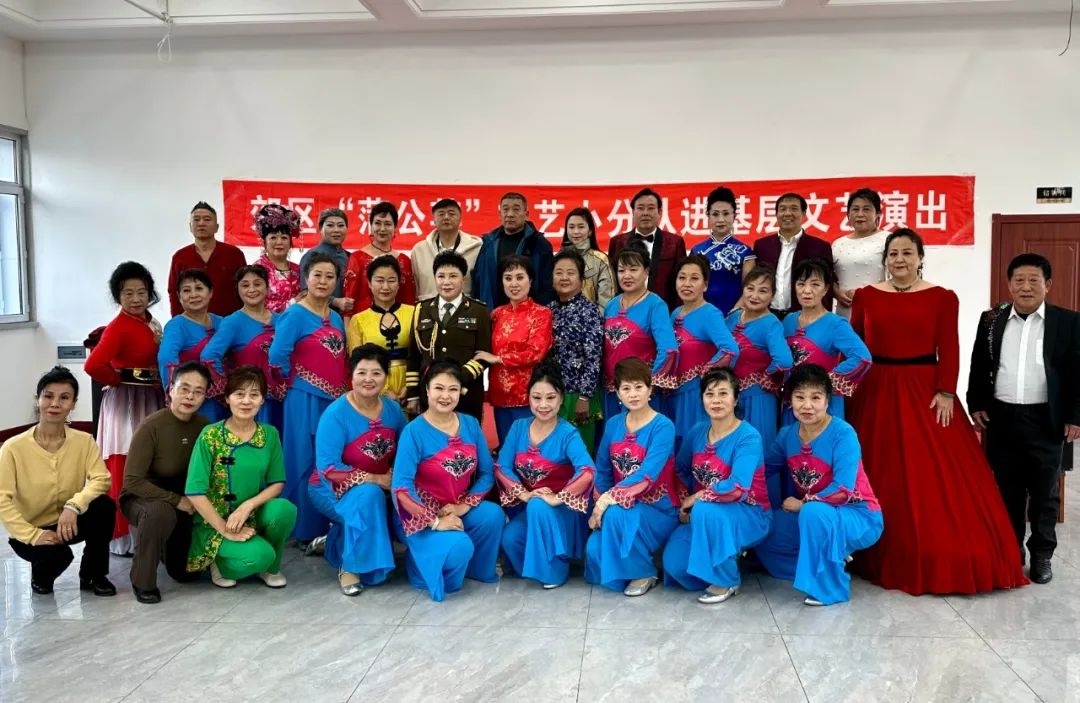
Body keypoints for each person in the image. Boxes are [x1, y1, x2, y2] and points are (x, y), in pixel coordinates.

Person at [848, 228, 1027, 594]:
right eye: (893, 253)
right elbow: (855, 345)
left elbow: (950, 346)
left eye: (907, 253)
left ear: (920, 257)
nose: (899, 259)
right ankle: (870, 548)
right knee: (878, 467)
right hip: (876, 389)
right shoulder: (866, 296)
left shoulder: (942, 297)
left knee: (934, 472)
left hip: (926, 390)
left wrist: (946, 390)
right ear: (885, 259)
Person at [968, 253, 1080, 584]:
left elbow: (1076, 373)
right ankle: (1011, 549)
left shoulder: (1067, 322)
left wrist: (1075, 416)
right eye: (1019, 280)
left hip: (1047, 418)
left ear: (1048, 285)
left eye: (1034, 280)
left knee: (1045, 493)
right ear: (1009, 284)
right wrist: (976, 403)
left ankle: (1042, 554)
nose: (1026, 287)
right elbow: (979, 364)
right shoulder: (991, 320)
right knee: (1007, 490)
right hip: (1002, 417)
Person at [755, 364, 883, 606]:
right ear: (789, 400)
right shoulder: (787, 435)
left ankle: (829, 588)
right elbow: (761, 471)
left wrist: (803, 504)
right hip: (815, 514)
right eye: (799, 397)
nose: (807, 405)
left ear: (827, 401)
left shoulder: (843, 434)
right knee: (766, 530)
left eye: (815, 398)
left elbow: (843, 490)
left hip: (858, 514)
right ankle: (822, 564)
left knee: (813, 512)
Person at [391, 361, 505, 602]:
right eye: (439, 388)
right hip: (419, 516)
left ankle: (473, 569)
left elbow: (487, 473)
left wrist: (465, 505)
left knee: (492, 515)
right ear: (427, 390)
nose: (446, 396)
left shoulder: (470, 424)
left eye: (453, 389)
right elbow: (401, 488)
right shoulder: (413, 431)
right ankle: (421, 564)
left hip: (455, 507)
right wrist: (434, 522)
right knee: (459, 547)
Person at [0, 366, 117, 596]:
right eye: (48, 396)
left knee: (104, 506)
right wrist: (34, 535)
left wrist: (73, 506)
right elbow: (2, 500)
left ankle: (93, 574)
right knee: (59, 558)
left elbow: (101, 480)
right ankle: (40, 573)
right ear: (38, 400)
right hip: (30, 530)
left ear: (73, 403)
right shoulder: (13, 448)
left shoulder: (84, 441)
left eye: (64, 398)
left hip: (68, 522)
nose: (55, 404)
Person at [662, 368, 770, 604]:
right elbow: (679, 470)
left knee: (706, 509)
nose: (716, 400)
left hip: (749, 512)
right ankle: (725, 554)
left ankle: (727, 579)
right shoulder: (697, 432)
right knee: (675, 565)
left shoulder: (748, 437)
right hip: (703, 514)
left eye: (723, 393)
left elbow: (738, 487)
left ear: (736, 398)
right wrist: (684, 503)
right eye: (710, 394)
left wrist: (697, 497)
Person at [186, 367, 298, 588]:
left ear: (262, 400)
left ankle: (270, 568)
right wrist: (224, 528)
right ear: (227, 398)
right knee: (261, 555)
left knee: (285, 510)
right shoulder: (210, 434)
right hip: (214, 521)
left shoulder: (269, 434)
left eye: (254, 395)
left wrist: (247, 506)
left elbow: (277, 483)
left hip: (251, 515)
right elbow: (194, 491)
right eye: (239, 394)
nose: (246, 401)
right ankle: (219, 563)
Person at [310, 345, 408, 596]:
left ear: (386, 377)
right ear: (351, 375)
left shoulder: (393, 410)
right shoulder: (335, 414)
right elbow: (328, 468)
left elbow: (405, 452)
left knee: (382, 498)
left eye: (376, 373)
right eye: (361, 372)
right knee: (369, 496)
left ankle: (334, 540)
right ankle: (349, 567)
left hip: (382, 485)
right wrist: (375, 479)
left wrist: (394, 475)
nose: (368, 379)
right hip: (330, 487)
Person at [85, 261, 166, 556]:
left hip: (151, 398)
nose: (135, 299)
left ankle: (151, 528)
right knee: (127, 462)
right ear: (118, 296)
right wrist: (118, 381)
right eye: (128, 293)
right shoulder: (118, 327)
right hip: (127, 403)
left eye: (141, 292)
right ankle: (124, 537)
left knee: (151, 462)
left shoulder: (152, 322)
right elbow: (93, 365)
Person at [269, 253, 349, 545]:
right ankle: (302, 529)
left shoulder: (335, 316)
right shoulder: (294, 314)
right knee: (303, 458)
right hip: (303, 398)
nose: (323, 281)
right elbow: (277, 355)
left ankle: (327, 525)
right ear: (305, 278)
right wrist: (296, 380)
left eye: (330, 276)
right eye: (317, 275)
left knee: (329, 459)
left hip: (334, 401)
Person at [585, 358, 679, 597]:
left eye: (639, 387)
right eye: (626, 388)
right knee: (594, 551)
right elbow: (603, 470)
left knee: (617, 516)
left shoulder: (663, 426)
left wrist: (606, 502)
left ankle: (644, 572)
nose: (633, 394)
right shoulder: (614, 424)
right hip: (619, 506)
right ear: (617, 393)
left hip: (657, 509)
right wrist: (600, 505)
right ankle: (631, 559)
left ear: (650, 389)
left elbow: (647, 474)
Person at [496, 363, 595, 589]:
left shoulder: (568, 433)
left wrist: (557, 498)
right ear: (528, 398)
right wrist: (525, 494)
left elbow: (587, 470)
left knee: (539, 505)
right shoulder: (518, 427)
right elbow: (501, 467)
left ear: (561, 399)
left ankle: (555, 571)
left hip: (563, 510)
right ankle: (539, 565)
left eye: (550, 398)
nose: (543, 405)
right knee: (510, 538)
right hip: (533, 506)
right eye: (536, 397)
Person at [120, 361, 211, 604]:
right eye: (184, 389)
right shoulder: (151, 426)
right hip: (143, 497)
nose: (190, 396)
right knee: (160, 513)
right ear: (171, 389)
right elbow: (132, 481)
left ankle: (165, 551)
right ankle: (142, 580)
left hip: (185, 501)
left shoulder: (205, 428)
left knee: (186, 574)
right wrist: (175, 500)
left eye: (198, 391)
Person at [726, 267, 793, 507]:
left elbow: (784, 360)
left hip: (759, 400)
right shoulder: (733, 317)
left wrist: (765, 377)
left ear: (772, 296)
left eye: (763, 291)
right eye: (750, 289)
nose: (754, 295)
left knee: (758, 454)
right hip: (731, 399)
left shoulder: (771, 323)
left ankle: (762, 510)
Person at [781, 258, 871, 425]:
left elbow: (862, 358)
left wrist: (825, 382)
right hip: (793, 405)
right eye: (801, 284)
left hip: (823, 407)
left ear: (826, 289)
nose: (807, 290)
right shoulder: (788, 321)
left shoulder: (836, 324)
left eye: (815, 284)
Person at [405, 250, 492, 421]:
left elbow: (484, 355)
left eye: (453, 276)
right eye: (441, 276)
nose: (446, 282)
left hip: (466, 394)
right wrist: (413, 395)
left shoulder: (478, 311)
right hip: (429, 395)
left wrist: (456, 378)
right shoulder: (421, 310)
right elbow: (414, 356)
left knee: (464, 436)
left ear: (463, 279)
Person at [476, 254, 554, 445]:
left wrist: (498, 359)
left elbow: (536, 353)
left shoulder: (541, 313)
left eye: (520, 277)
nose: (514, 283)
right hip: (499, 394)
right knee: (507, 447)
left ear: (530, 280)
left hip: (527, 395)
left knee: (529, 449)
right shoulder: (497, 314)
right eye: (508, 278)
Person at [666, 255, 739, 450]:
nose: (687, 284)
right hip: (673, 393)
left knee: (695, 448)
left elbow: (730, 350)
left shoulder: (710, 313)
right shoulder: (675, 313)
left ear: (705, 285)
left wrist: (706, 372)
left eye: (694, 278)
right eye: (682, 278)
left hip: (695, 395)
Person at [201, 265, 287, 430]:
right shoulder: (233, 322)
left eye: (257, 284)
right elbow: (209, 357)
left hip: (282, 401)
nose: (252, 289)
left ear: (267, 287)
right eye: (245, 285)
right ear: (238, 290)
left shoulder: (281, 320)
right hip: (251, 403)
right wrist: (230, 387)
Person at [601, 245, 678, 422]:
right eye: (621, 270)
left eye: (633, 269)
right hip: (612, 392)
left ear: (646, 272)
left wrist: (648, 384)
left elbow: (669, 350)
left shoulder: (655, 305)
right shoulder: (611, 305)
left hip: (640, 395)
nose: (626, 275)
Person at [548, 250, 604, 449]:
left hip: (578, 395)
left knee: (579, 450)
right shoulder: (549, 310)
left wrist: (584, 396)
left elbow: (594, 356)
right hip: (552, 393)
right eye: (559, 272)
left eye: (570, 273)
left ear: (581, 280)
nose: (564, 277)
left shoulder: (589, 311)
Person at [346, 255, 415, 405]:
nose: (385, 287)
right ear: (369, 283)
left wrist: (411, 387)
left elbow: (422, 355)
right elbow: (357, 362)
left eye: (391, 280)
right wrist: (383, 390)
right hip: (374, 388)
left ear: (399, 283)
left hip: (411, 388)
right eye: (379, 280)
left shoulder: (415, 313)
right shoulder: (358, 320)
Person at [159, 269, 226, 422]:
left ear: (210, 292)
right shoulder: (177, 325)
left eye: (199, 288)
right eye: (186, 290)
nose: (193, 295)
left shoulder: (221, 322)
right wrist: (176, 397)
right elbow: (166, 359)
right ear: (179, 296)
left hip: (225, 400)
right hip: (194, 402)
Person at [750, 193, 833, 316]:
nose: (787, 213)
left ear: (804, 213)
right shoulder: (762, 245)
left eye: (794, 208)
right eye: (782, 209)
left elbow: (827, 286)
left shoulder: (820, 247)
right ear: (776, 214)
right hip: (767, 314)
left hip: (803, 315)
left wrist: (823, 318)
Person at [607, 187, 687, 310]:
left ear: (659, 212)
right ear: (633, 212)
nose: (645, 213)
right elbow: (612, 283)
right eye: (640, 208)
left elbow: (681, 281)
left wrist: (678, 313)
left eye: (650, 208)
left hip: (663, 311)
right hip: (625, 311)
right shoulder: (618, 242)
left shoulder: (675, 243)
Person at [472, 192, 555, 308]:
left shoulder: (539, 244)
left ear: (526, 214)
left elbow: (547, 286)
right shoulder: (488, 243)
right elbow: (478, 281)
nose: (510, 214)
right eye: (505, 209)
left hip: (528, 313)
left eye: (516, 210)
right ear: (500, 214)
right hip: (490, 312)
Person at [167, 201, 247, 317]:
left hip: (229, 322)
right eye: (196, 219)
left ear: (217, 227)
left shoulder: (234, 254)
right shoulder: (180, 257)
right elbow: (173, 293)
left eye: (207, 219)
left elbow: (244, 288)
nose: (201, 223)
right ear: (190, 227)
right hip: (192, 322)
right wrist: (177, 320)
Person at [690, 186, 756, 314]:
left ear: (734, 215)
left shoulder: (746, 252)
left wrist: (733, 315)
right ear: (708, 216)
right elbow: (691, 287)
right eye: (715, 214)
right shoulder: (696, 251)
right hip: (702, 315)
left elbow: (750, 290)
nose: (721, 219)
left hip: (736, 316)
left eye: (726, 214)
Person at [343, 201, 417, 313]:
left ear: (395, 227)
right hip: (363, 321)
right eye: (377, 223)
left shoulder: (404, 261)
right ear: (371, 226)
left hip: (399, 321)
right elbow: (349, 302)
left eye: (387, 224)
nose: (382, 229)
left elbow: (409, 301)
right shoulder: (357, 258)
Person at [831, 188, 888, 320]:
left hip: (878, 311)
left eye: (866, 209)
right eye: (855, 209)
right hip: (844, 313)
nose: (860, 214)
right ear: (848, 215)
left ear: (878, 214)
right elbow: (828, 278)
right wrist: (836, 292)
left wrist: (867, 295)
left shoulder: (889, 239)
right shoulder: (837, 244)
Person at [411, 198, 483, 301]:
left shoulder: (477, 248)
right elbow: (415, 286)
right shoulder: (419, 250)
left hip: (465, 307)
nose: (446, 217)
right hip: (427, 307)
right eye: (441, 214)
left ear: (460, 219)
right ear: (434, 220)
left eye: (451, 214)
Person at [299, 208, 353, 316]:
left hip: (347, 318)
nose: (336, 230)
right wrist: (335, 302)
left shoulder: (350, 257)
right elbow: (305, 292)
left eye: (341, 225)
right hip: (318, 316)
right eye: (330, 225)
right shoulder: (311, 256)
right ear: (320, 228)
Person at [252, 203, 302, 314]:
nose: (279, 242)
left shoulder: (298, 269)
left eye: (284, 238)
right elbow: (255, 305)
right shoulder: (256, 270)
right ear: (264, 242)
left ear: (290, 243)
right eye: (273, 237)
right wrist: (294, 302)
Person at [560, 207, 614, 308]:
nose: (576, 231)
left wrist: (593, 317)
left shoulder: (600, 260)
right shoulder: (557, 260)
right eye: (571, 227)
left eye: (581, 227)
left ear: (590, 231)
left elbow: (606, 300)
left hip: (593, 317)